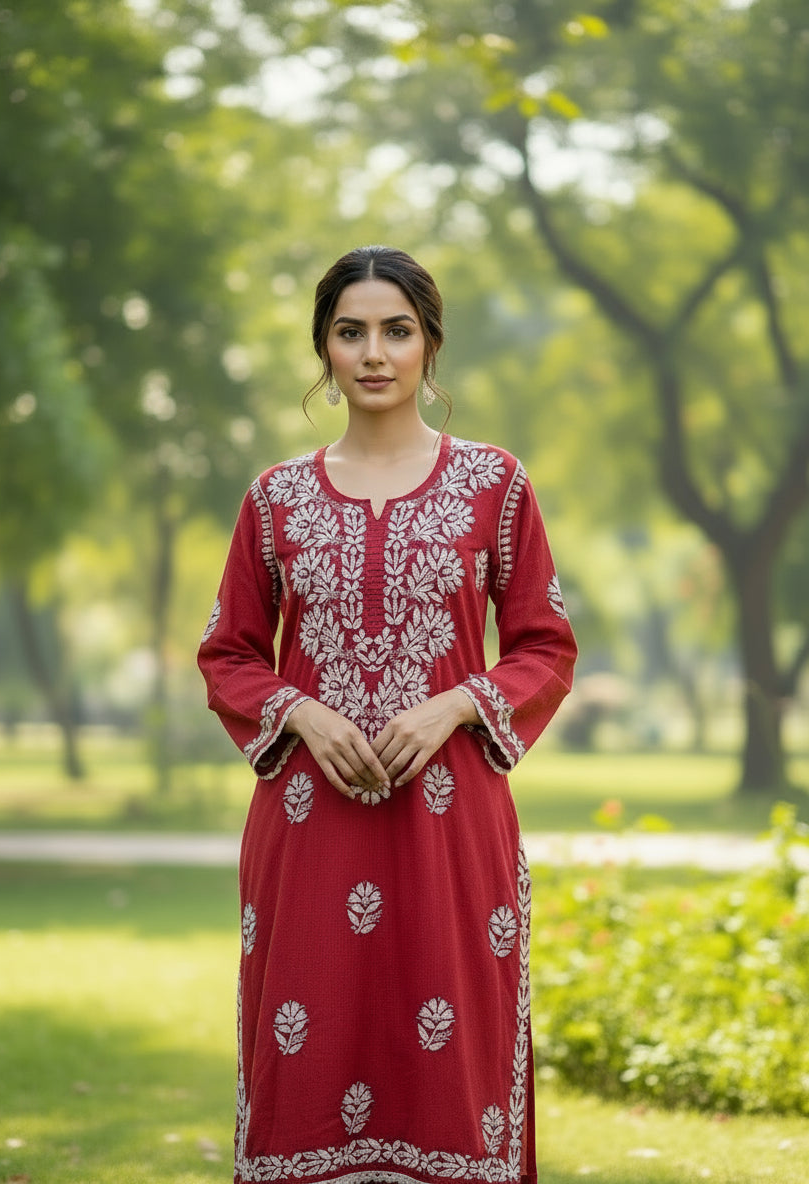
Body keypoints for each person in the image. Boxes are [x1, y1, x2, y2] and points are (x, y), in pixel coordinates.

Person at [198, 245, 577, 1184]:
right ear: (323, 349)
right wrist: (302, 714)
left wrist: (456, 704)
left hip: (449, 825)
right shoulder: (276, 498)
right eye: (351, 331)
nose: (374, 353)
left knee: (453, 1054)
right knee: (304, 1047)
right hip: (307, 824)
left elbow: (545, 645)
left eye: (396, 331)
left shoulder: (495, 485)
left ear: (429, 345)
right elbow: (228, 654)